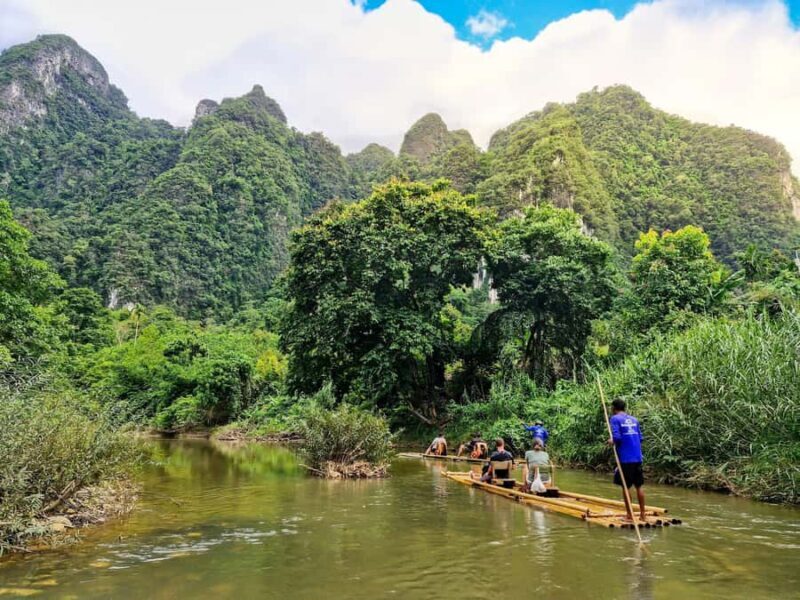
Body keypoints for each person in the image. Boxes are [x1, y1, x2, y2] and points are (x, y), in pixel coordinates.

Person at [607, 399, 646, 522]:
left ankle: (629, 515)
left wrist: (611, 441)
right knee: (638, 486)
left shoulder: (615, 419)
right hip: (637, 457)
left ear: (614, 408)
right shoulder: (634, 420)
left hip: (625, 458)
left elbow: (617, 438)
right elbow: (640, 438)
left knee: (626, 486)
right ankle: (643, 514)